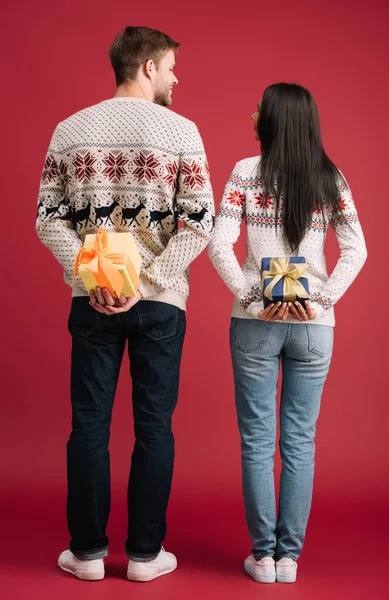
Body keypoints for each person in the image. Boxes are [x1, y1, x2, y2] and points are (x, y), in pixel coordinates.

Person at [36, 25, 214, 582]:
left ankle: (87, 555)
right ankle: (144, 556)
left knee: (88, 425)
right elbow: (202, 222)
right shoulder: (183, 131)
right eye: (170, 67)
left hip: (93, 302)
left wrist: (94, 278)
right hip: (160, 303)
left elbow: (46, 219)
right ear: (146, 68)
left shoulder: (69, 131)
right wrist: (148, 277)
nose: (175, 77)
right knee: (155, 426)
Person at [208, 83, 367, 584]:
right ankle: (289, 559)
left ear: (275, 120)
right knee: (300, 441)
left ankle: (263, 556)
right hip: (314, 327)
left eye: (260, 107)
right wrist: (319, 300)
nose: (253, 112)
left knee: (258, 442)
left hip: (257, 321)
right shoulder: (330, 178)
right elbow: (357, 249)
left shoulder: (244, 174)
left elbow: (219, 245)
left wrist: (253, 295)